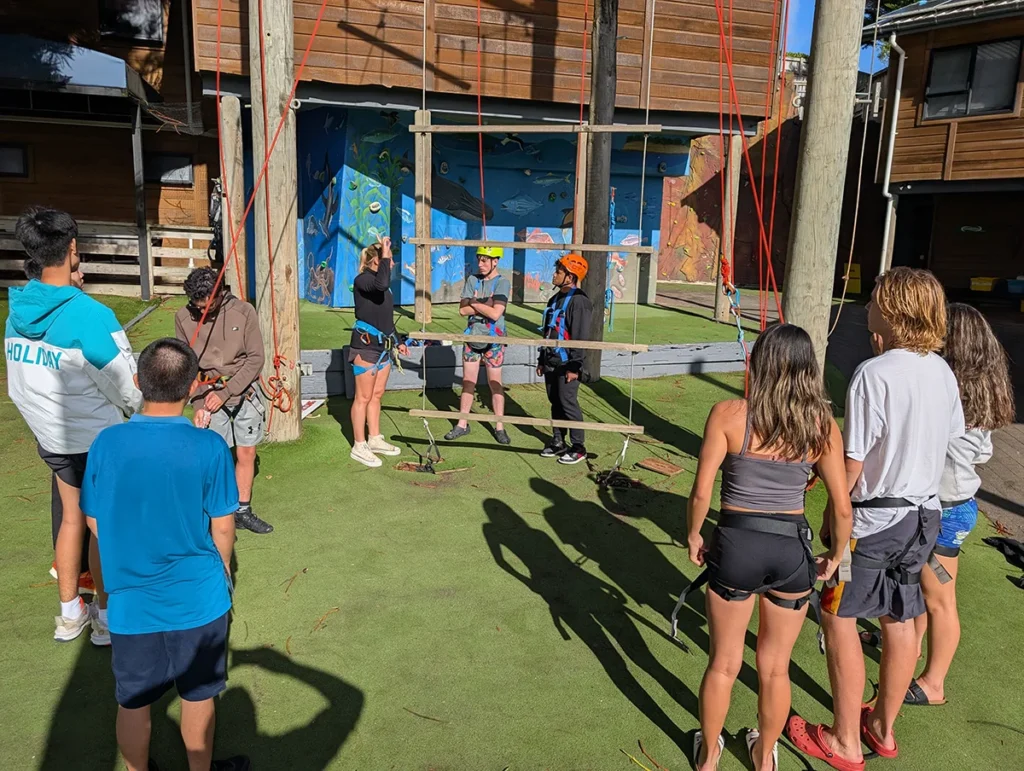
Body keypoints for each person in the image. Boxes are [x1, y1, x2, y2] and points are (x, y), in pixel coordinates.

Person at [787, 267, 964, 771]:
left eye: (876, 301)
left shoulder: (875, 373)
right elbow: (950, 435)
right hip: (923, 518)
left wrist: (832, 516)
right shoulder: (941, 371)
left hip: (872, 523)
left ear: (895, 312)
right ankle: (883, 728)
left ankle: (845, 740)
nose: (867, 308)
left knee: (837, 612)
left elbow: (853, 462)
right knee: (900, 615)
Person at [686, 324, 852, 771]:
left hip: (736, 545)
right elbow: (841, 506)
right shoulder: (821, 426)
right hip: (791, 552)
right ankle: (763, 758)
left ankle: (709, 756)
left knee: (723, 663)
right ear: (808, 370)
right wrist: (836, 556)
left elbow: (701, 492)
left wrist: (695, 534)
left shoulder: (727, 414)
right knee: (775, 668)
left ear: (758, 362)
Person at [80, 338, 248, 771]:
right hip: (199, 599)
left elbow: (94, 523)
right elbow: (223, 527)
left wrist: (108, 588)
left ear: (138, 382)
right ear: (193, 387)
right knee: (199, 695)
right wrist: (224, 572)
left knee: (133, 701)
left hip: (131, 602)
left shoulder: (106, 443)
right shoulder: (209, 446)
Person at [5, 206, 141, 644]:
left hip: (53, 439)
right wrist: (137, 412)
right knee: (101, 525)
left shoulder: (16, 310)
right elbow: (128, 387)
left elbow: (18, 384)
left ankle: (69, 614)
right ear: (73, 248)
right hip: (97, 442)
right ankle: (105, 617)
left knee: (70, 519)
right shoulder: (91, 314)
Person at [905, 303, 1014, 706]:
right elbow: (982, 453)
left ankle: (934, 683)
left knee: (939, 598)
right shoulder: (980, 396)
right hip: (950, 504)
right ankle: (911, 646)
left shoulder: (948, 396)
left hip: (946, 511)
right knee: (922, 585)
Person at [175, 267, 273, 535]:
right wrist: (198, 404)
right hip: (206, 391)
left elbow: (256, 358)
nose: (202, 312)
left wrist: (226, 393)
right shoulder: (183, 317)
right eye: (197, 307)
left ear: (220, 294)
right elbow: (187, 365)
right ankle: (216, 512)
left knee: (246, 452)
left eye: (208, 306)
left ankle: (243, 511)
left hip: (242, 387)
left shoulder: (244, 312)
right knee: (215, 455)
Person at [349, 235, 408, 468]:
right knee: (362, 398)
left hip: (383, 347)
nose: (391, 264)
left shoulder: (383, 285)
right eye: (388, 260)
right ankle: (359, 445)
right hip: (365, 347)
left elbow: (386, 318)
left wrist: (398, 340)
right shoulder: (363, 280)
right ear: (376, 261)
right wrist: (385, 253)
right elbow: (380, 284)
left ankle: (374, 438)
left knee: (376, 395)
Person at [444, 246, 511, 444]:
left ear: (495, 261)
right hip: (472, 338)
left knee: (495, 383)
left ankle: (499, 426)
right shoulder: (472, 280)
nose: (480, 264)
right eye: (479, 260)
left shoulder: (502, 282)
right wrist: (484, 304)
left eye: (485, 260)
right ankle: (462, 424)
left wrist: (473, 302)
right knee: (468, 381)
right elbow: (462, 311)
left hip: (494, 340)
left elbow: (496, 314)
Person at [537, 254, 593, 465]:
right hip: (550, 360)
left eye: (559, 271)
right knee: (555, 401)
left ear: (570, 276)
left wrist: (574, 367)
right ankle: (558, 441)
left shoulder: (580, 302)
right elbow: (548, 331)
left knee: (568, 402)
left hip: (567, 363)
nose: (554, 275)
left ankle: (578, 447)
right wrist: (541, 359)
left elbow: (580, 337)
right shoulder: (554, 299)